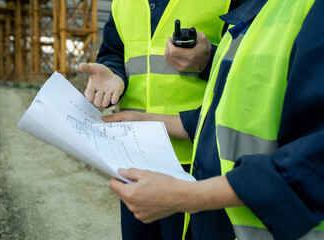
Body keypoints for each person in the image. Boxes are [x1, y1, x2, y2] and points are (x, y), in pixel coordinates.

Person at [104, 0, 324, 239]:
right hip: (197, 193)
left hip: (225, 200)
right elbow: (230, 110)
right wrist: (147, 120)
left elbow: (313, 161)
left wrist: (188, 196)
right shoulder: (257, 12)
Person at [78, 0, 248, 239]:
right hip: (135, 156)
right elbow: (114, 52)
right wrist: (114, 74)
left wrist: (208, 62)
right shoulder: (122, 3)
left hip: (196, 162)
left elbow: (248, 67)